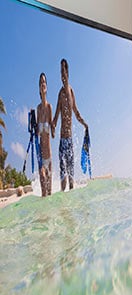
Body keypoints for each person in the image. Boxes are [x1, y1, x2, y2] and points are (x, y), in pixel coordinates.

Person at [56, 59, 87, 191]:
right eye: (60, 71)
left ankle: (70, 207)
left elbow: (76, 111)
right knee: (63, 175)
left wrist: (85, 124)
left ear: (67, 72)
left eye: (63, 70)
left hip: (69, 141)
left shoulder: (71, 91)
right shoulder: (60, 93)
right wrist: (51, 126)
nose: (62, 74)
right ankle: (62, 207)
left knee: (71, 177)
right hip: (61, 141)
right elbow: (56, 114)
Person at [34, 72, 53, 197]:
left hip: (49, 158)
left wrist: (55, 126)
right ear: (39, 88)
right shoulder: (38, 109)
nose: (43, 84)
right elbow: (37, 133)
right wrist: (33, 126)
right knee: (44, 193)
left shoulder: (49, 107)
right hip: (41, 157)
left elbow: (53, 131)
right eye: (41, 82)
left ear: (47, 86)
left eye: (44, 82)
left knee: (50, 194)